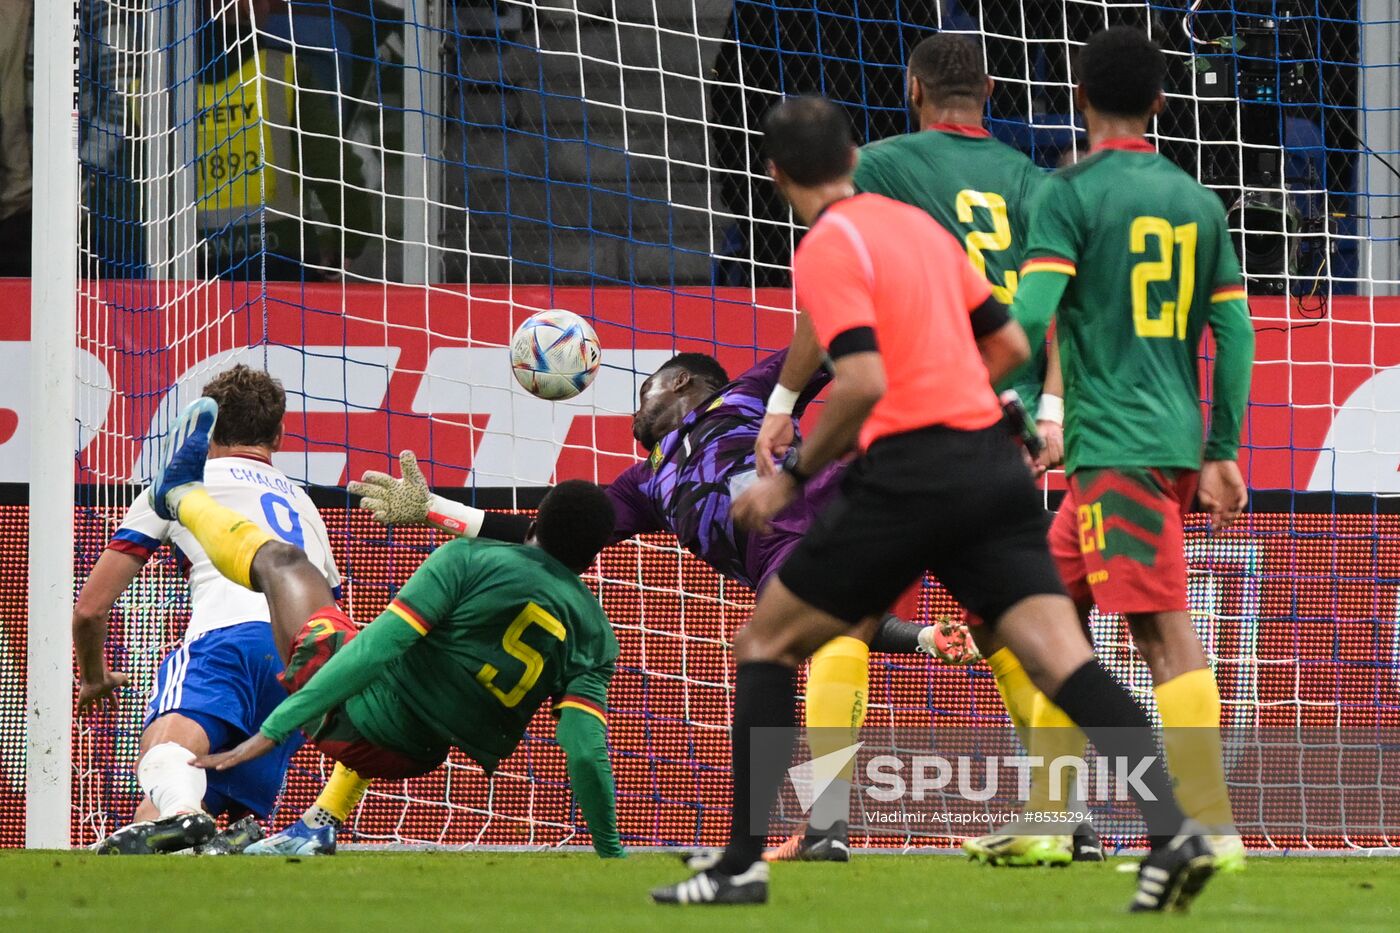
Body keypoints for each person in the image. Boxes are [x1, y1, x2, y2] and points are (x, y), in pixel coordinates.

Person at [650, 95, 1215, 911]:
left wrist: (791, 474)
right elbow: (1012, 343)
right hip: (991, 460)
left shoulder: (828, 247)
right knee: (1066, 659)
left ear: (773, 174)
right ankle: (1174, 831)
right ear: (852, 155)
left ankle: (741, 862)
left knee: (766, 643)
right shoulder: (920, 230)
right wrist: (974, 406)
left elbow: (865, 383)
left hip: (910, 474)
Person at [330, 351, 972, 862]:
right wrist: (436, 511)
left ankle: (833, 823)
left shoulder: (747, 395)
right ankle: (833, 826)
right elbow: (548, 537)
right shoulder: (645, 483)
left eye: (645, 393)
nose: (635, 411)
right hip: (809, 560)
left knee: (830, 632)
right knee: (835, 636)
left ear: (680, 383)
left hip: (843, 501)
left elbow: (834, 340)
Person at [759, 32, 1103, 866]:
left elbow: (831, 312)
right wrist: (1050, 410)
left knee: (838, 607)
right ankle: (1072, 819)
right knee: (1011, 626)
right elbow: (1055, 309)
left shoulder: (874, 167)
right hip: (1008, 423)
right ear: (990, 87)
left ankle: (829, 822)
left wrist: (782, 402)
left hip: (908, 416)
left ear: (911, 87)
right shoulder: (1037, 181)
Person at [973, 26, 1255, 873]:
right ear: (1162, 104)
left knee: (1162, 630)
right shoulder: (1199, 201)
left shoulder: (1070, 194)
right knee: (1040, 619)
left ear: (1081, 98)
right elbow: (1234, 330)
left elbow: (1030, 314)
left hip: (1119, 447)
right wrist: (1222, 446)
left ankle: (1211, 828)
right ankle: (1049, 818)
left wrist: (997, 396)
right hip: (1157, 439)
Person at [146, 396, 625, 859]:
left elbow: (379, 648)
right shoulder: (598, 635)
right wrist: (610, 852)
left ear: (534, 521)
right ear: (594, 553)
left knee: (284, 562)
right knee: (403, 658)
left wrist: (276, 725)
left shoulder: (468, 559)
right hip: (416, 756)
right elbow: (584, 752)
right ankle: (321, 821)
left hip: (352, 723)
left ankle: (181, 495)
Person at [75, 365, 340, 855]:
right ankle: (214, 833)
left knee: (164, 757)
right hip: (301, 662)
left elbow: (90, 609)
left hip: (227, 639)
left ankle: (183, 813)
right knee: (162, 825)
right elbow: (327, 608)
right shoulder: (304, 504)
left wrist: (94, 676)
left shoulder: (181, 485)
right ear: (279, 436)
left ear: (208, 428)